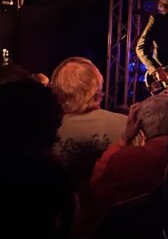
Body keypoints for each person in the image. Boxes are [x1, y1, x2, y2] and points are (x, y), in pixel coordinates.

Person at [50, 57, 127, 190]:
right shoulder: (126, 125)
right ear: (97, 86)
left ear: (58, 91)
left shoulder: (47, 130)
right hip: (110, 201)